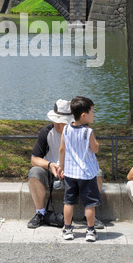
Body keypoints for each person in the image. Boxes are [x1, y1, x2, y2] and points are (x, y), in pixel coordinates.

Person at [27, 99, 104, 229]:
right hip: (52, 172)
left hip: (77, 172)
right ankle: (40, 213)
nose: (57, 125)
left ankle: (89, 215)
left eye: (61, 122)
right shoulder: (46, 132)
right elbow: (34, 159)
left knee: (97, 174)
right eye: (55, 121)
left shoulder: (82, 132)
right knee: (34, 173)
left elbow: (91, 155)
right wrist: (50, 165)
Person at [58, 96, 101, 242]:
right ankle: (90, 230)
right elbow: (94, 149)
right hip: (87, 173)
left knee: (68, 201)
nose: (93, 114)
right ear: (84, 115)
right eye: (92, 112)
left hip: (70, 172)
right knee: (89, 203)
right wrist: (97, 144)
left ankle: (68, 229)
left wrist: (61, 166)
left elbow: (62, 149)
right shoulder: (88, 132)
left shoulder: (66, 129)